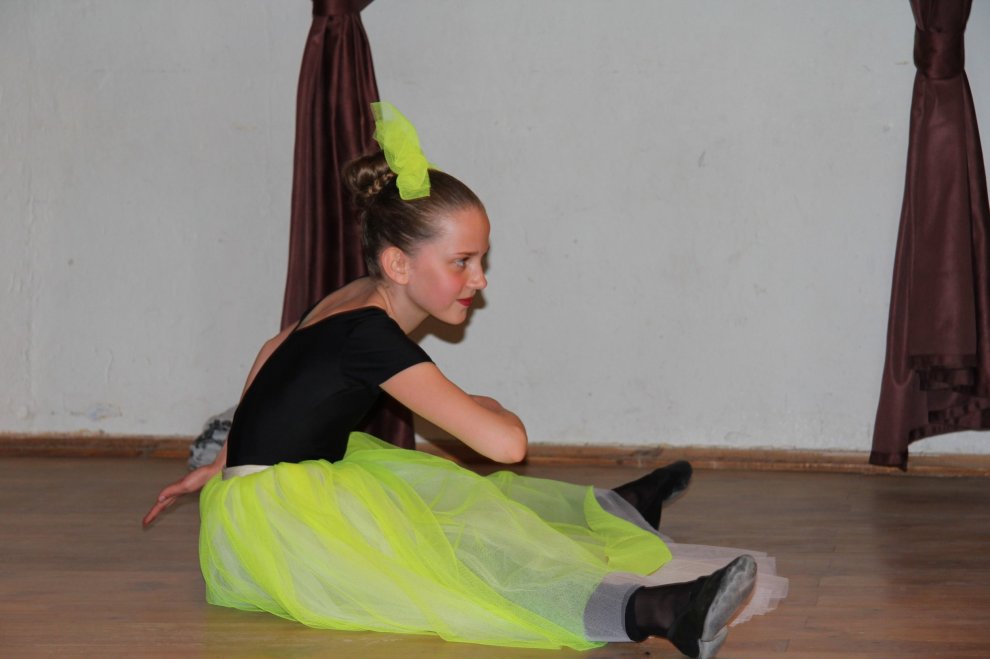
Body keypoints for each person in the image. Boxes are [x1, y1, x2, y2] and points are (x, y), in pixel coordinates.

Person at [143, 103, 780, 657]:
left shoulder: (358, 295)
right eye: (461, 262)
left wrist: (227, 460)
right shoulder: (372, 334)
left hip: (268, 495)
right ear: (399, 264)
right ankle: (656, 611)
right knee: (468, 563)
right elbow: (507, 445)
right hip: (288, 529)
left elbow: (273, 349)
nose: (479, 279)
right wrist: (491, 406)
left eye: (481, 259)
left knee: (463, 509)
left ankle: (619, 509)